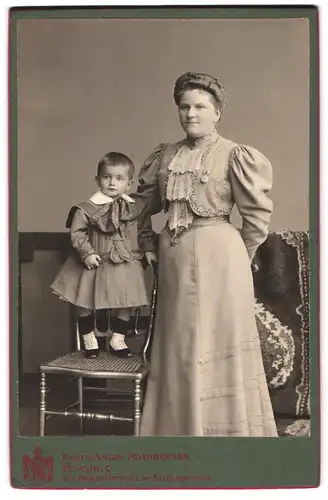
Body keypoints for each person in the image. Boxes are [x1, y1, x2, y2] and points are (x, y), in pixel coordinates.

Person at [136, 71, 278, 436]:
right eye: (184, 107)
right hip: (174, 259)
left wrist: (238, 258)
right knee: (179, 343)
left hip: (221, 257)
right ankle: (178, 432)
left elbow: (256, 217)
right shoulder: (166, 155)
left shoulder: (235, 154)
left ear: (217, 112)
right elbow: (138, 207)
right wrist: (148, 242)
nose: (191, 114)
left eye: (200, 106)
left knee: (218, 340)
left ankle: (221, 437)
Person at [51, 152, 157, 358]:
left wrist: (149, 249)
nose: (112, 183)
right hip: (96, 261)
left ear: (129, 183)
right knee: (85, 300)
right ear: (97, 180)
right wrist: (87, 253)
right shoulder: (87, 209)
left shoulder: (136, 209)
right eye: (107, 177)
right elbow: (78, 233)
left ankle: (118, 339)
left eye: (119, 178)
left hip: (125, 263)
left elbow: (144, 232)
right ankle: (89, 338)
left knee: (127, 301)